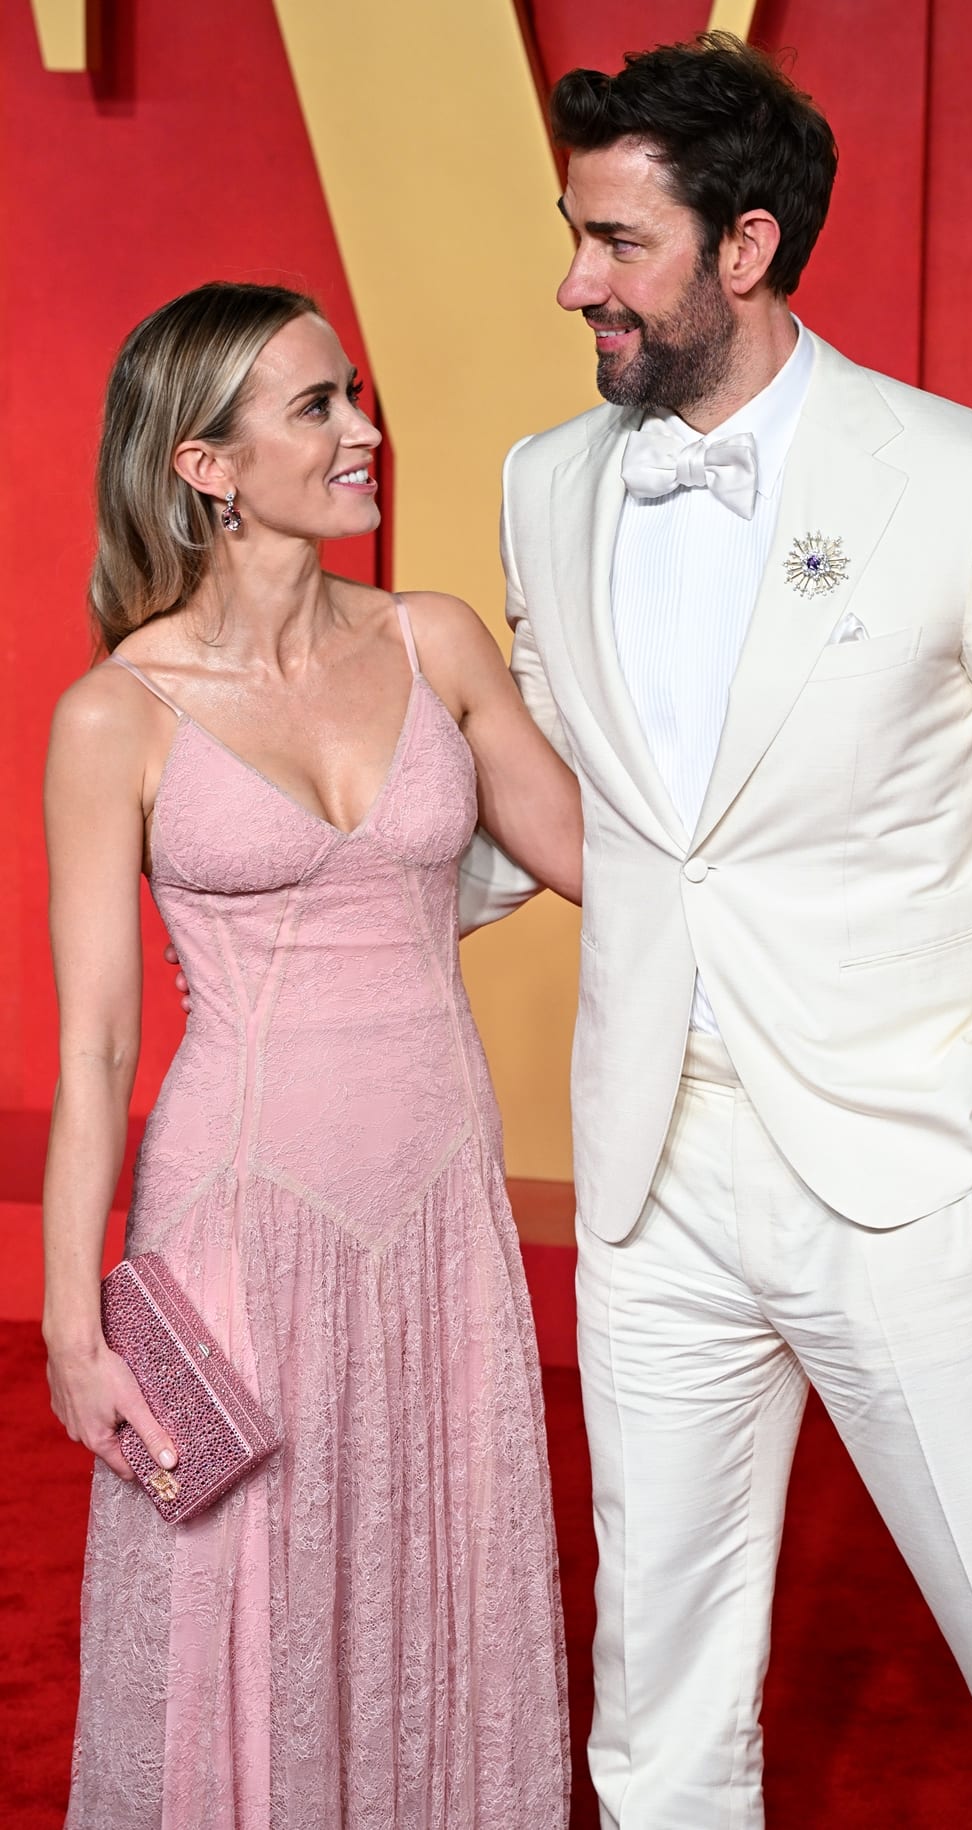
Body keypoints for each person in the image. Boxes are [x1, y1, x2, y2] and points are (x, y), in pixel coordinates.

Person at [457, 32, 972, 1830]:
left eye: (618, 242)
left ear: (749, 247)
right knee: (661, 1682)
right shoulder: (550, 481)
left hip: (903, 1167)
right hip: (651, 1168)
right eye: (575, 232)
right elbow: (569, 795)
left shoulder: (964, 481)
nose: (575, 280)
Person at [42, 280, 579, 1829]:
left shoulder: (436, 639)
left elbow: (609, 861)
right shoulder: (113, 713)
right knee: (238, 1610)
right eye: (319, 407)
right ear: (206, 466)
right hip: (234, 1221)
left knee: (436, 1579)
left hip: (436, 1219)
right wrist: (72, 1328)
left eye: (356, 396)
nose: (369, 431)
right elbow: (92, 1047)